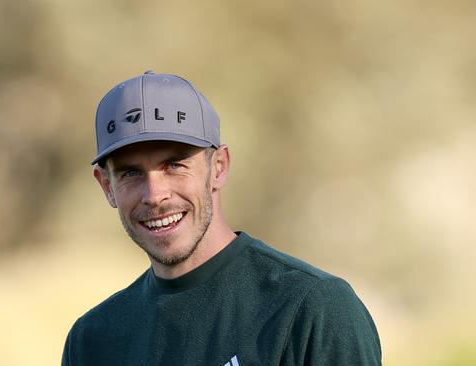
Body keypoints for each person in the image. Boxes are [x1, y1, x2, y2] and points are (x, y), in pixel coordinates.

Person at [61, 71, 382, 365]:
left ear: (218, 167)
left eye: (174, 165)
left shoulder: (312, 309)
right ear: (107, 186)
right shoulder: (90, 341)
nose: (155, 195)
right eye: (131, 173)